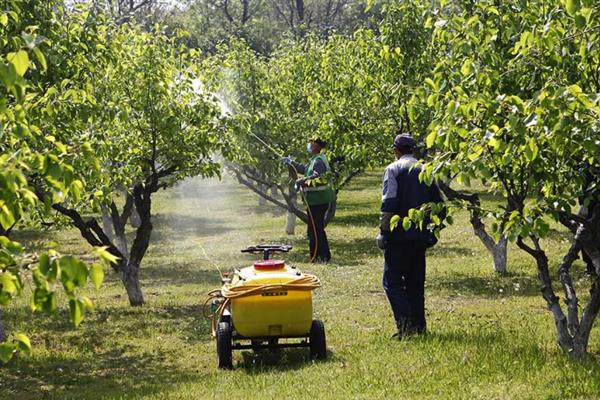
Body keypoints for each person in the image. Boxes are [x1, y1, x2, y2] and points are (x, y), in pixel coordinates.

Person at [377, 132, 443, 338]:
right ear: (413, 150)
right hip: (420, 236)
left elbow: (389, 203)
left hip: (398, 236)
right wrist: (432, 231)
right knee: (415, 283)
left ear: (396, 151)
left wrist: (383, 231)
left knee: (392, 281)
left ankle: (405, 327)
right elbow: (439, 204)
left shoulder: (393, 169)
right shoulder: (426, 169)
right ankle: (420, 327)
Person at [282, 138, 335, 262]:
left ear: (316, 146)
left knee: (315, 230)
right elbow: (304, 169)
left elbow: (317, 176)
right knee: (315, 229)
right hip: (314, 201)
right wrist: (291, 163)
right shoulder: (315, 159)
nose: (309, 145)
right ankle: (322, 256)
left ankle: (319, 256)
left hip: (318, 201)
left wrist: (303, 181)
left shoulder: (319, 161)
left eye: (311, 143)